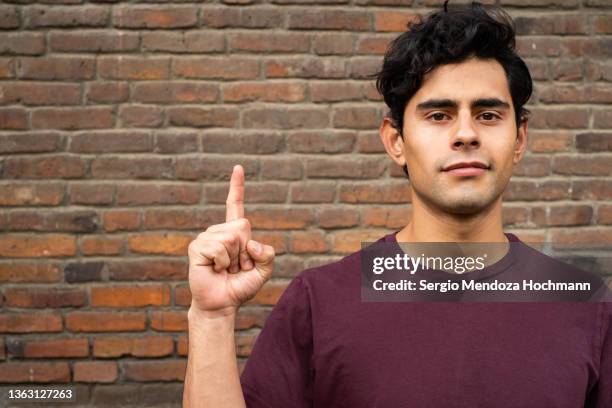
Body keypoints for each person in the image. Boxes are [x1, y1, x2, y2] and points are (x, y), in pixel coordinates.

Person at [183, 2, 611, 407]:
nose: (466, 134)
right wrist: (211, 317)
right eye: (438, 115)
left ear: (519, 139)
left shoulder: (586, 306)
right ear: (395, 141)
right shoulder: (320, 302)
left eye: (488, 114)